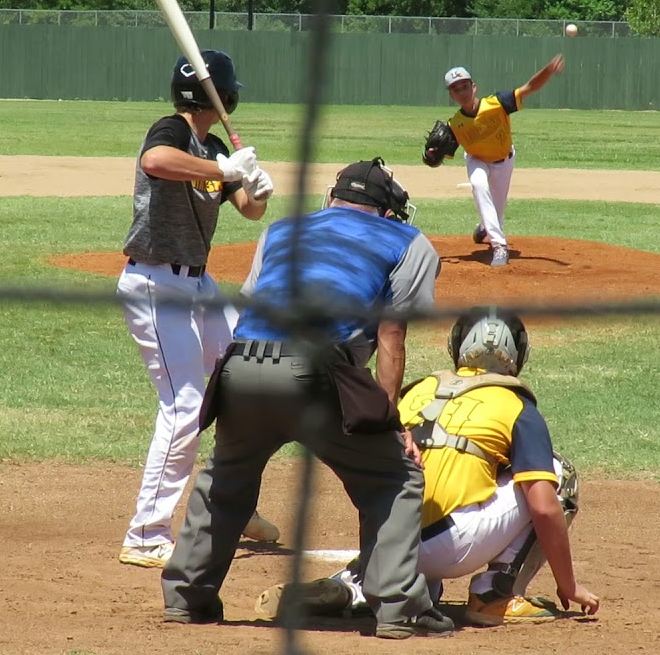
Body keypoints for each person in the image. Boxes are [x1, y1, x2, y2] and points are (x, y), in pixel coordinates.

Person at [161, 158, 452, 640]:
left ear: (333, 198)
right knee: (394, 479)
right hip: (316, 371)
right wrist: (389, 416)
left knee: (225, 480)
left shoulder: (281, 231)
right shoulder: (408, 242)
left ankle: (186, 598)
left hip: (241, 366)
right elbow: (391, 334)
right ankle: (399, 607)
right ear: (386, 210)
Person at [255, 309, 601, 627]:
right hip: (449, 547)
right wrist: (567, 584)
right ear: (517, 355)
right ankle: (493, 594)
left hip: (387, 538)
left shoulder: (418, 389)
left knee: (423, 562)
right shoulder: (516, 405)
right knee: (555, 475)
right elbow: (542, 506)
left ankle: (363, 584)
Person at [116, 48, 281, 570]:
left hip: (198, 283)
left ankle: (232, 501)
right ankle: (146, 534)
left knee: (245, 375)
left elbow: (249, 211)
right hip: (154, 282)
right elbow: (155, 163)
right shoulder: (170, 132)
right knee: (185, 404)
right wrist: (222, 166)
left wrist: (255, 188)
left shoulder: (210, 147)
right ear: (225, 95)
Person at [428, 55, 565, 268]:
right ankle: (499, 245)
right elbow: (440, 158)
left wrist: (548, 71)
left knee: (497, 212)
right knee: (479, 184)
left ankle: (485, 226)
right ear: (451, 95)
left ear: (474, 87)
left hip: (504, 161)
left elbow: (529, 87)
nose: (462, 92)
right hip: (476, 160)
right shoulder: (455, 124)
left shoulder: (498, 102)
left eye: (465, 86)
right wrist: (431, 156)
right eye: (456, 89)